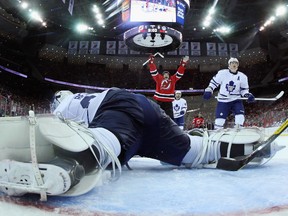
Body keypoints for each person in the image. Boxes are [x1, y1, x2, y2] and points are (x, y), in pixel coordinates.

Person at [0, 88, 282, 199]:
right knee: (193, 152)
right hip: (148, 111)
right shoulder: (82, 97)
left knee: (105, 145)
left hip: (121, 110)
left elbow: (57, 130)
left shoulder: (64, 104)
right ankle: (250, 146)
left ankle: (62, 169)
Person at [203, 57, 255, 129]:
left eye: (236, 63)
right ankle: (217, 135)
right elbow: (214, 83)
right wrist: (209, 90)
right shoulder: (222, 73)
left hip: (236, 100)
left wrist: (247, 95)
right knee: (219, 121)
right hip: (223, 100)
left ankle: (238, 132)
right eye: (232, 63)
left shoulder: (243, 76)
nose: (234, 65)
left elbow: (244, 90)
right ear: (228, 65)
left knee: (240, 117)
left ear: (238, 65)